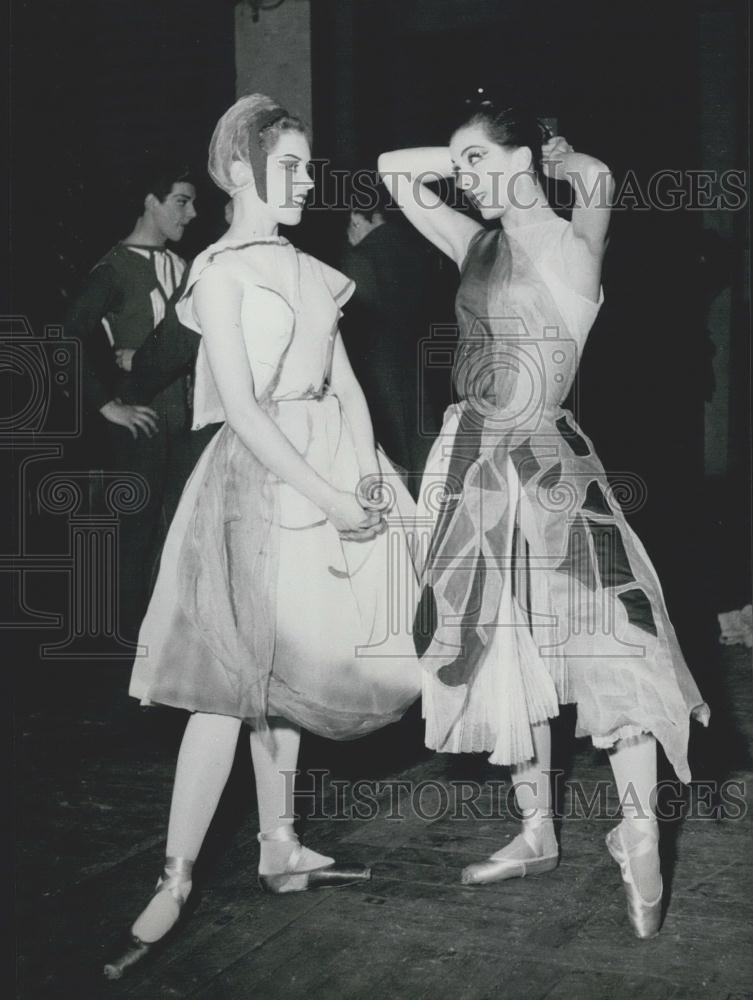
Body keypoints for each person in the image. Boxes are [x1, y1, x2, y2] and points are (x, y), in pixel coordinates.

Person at [104, 95, 421, 979]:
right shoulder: (222, 273)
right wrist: (320, 487)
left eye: (312, 167)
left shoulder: (315, 271)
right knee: (227, 684)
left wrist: (365, 481)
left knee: (286, 674)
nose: (307, 181)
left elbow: (348, 388)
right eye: (291, 166)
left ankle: (280, 845)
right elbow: (240, 408)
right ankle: (174, 875)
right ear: (240, 170)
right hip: (258, 479)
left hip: (330, 462)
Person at [379, 104, 709, 939]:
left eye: (481, 161)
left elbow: (596, 180)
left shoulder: (572, 240)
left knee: (613, 638)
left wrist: (545, 157)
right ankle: (540, 832)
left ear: (526, 154)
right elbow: (392, 170)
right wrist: (479, 157)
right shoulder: (477, 241)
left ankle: (637, 833)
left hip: (540, 459)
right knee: (505, 645)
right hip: (475, 462)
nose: (464, 179)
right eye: (459, 168)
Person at [66, 163, 198, 637]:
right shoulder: (114, 267)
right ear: (151, 202)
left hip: (187, 423)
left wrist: (140, 357)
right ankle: (124, 653)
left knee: (179, 535)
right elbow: (68, 335)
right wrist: (106, 405)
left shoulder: (184, 267)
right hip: (140, 423)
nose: (191, 213)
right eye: (181, 201)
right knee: (134, 538)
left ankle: (166, 648)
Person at [338, 181, 443, 496]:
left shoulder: (360, 258)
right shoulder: (422, 252)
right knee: (424, 461)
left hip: (375, 378)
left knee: (390, 468)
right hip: (418, 373)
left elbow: (355, 330)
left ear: (358, 217)